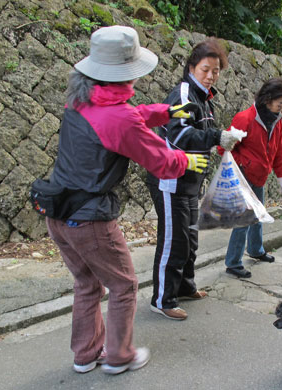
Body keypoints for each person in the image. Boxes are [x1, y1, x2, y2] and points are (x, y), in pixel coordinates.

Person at [43, 26, 206, 375]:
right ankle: (119, 356)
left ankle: (85, 355)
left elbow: (126, 116)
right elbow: (159, 159)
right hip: (91, 220)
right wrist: (187, 160)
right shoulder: (120, 117)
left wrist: (165, 112)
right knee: (124, 285)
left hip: (57, 212)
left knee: (87, 282)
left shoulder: (79, 99)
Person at [146, 38, 246, 320]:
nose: (211, 75)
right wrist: (216, 136)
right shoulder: (183, 94)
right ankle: (162, 299)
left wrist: (220, 141)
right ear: (192, 67)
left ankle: (185, 287)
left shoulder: (204, 99)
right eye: (206, 69)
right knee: (173, 241)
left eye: (216, 71)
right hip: (170, 178)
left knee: (190, 238)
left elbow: (202, 134)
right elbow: (178, 136)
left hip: (191, 179)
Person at [219, 78, 282, 278]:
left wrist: (281, 175)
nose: (281, 106)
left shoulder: (277, 121)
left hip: (259, 176)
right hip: (242, 176)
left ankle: (256, 250)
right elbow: (223, 148)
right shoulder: (245, 118)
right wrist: (245, 162)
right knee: (244, 220)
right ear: (268, 98)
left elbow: (280, 150)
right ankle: (233, 262)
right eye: (280, 102)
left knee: (258, 215)